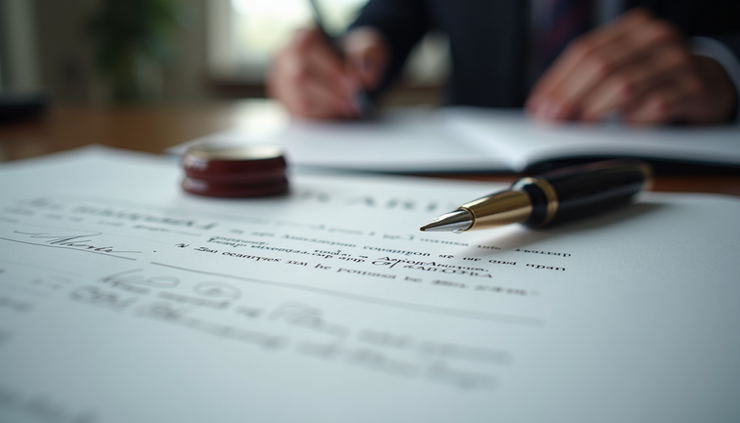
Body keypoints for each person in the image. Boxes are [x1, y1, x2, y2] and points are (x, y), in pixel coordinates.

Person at [268, 0, 740, 125]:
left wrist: (724, 68)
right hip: (473, 171)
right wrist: (347, 60)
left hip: (676, 165)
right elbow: (391, 14)